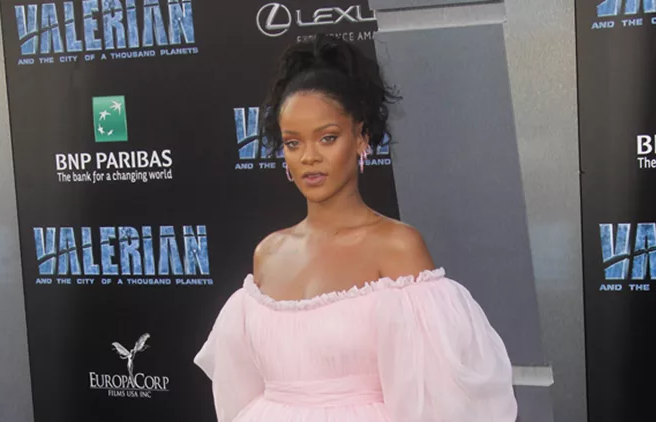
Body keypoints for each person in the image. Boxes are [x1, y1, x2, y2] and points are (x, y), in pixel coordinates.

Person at [195, 34, 517, 421]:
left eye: (327, 138)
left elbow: (442, 397)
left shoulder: (397, 247)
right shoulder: (268, 254)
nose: (309, 157)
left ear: (360, 137)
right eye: (293, 143)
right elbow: (239, 390)